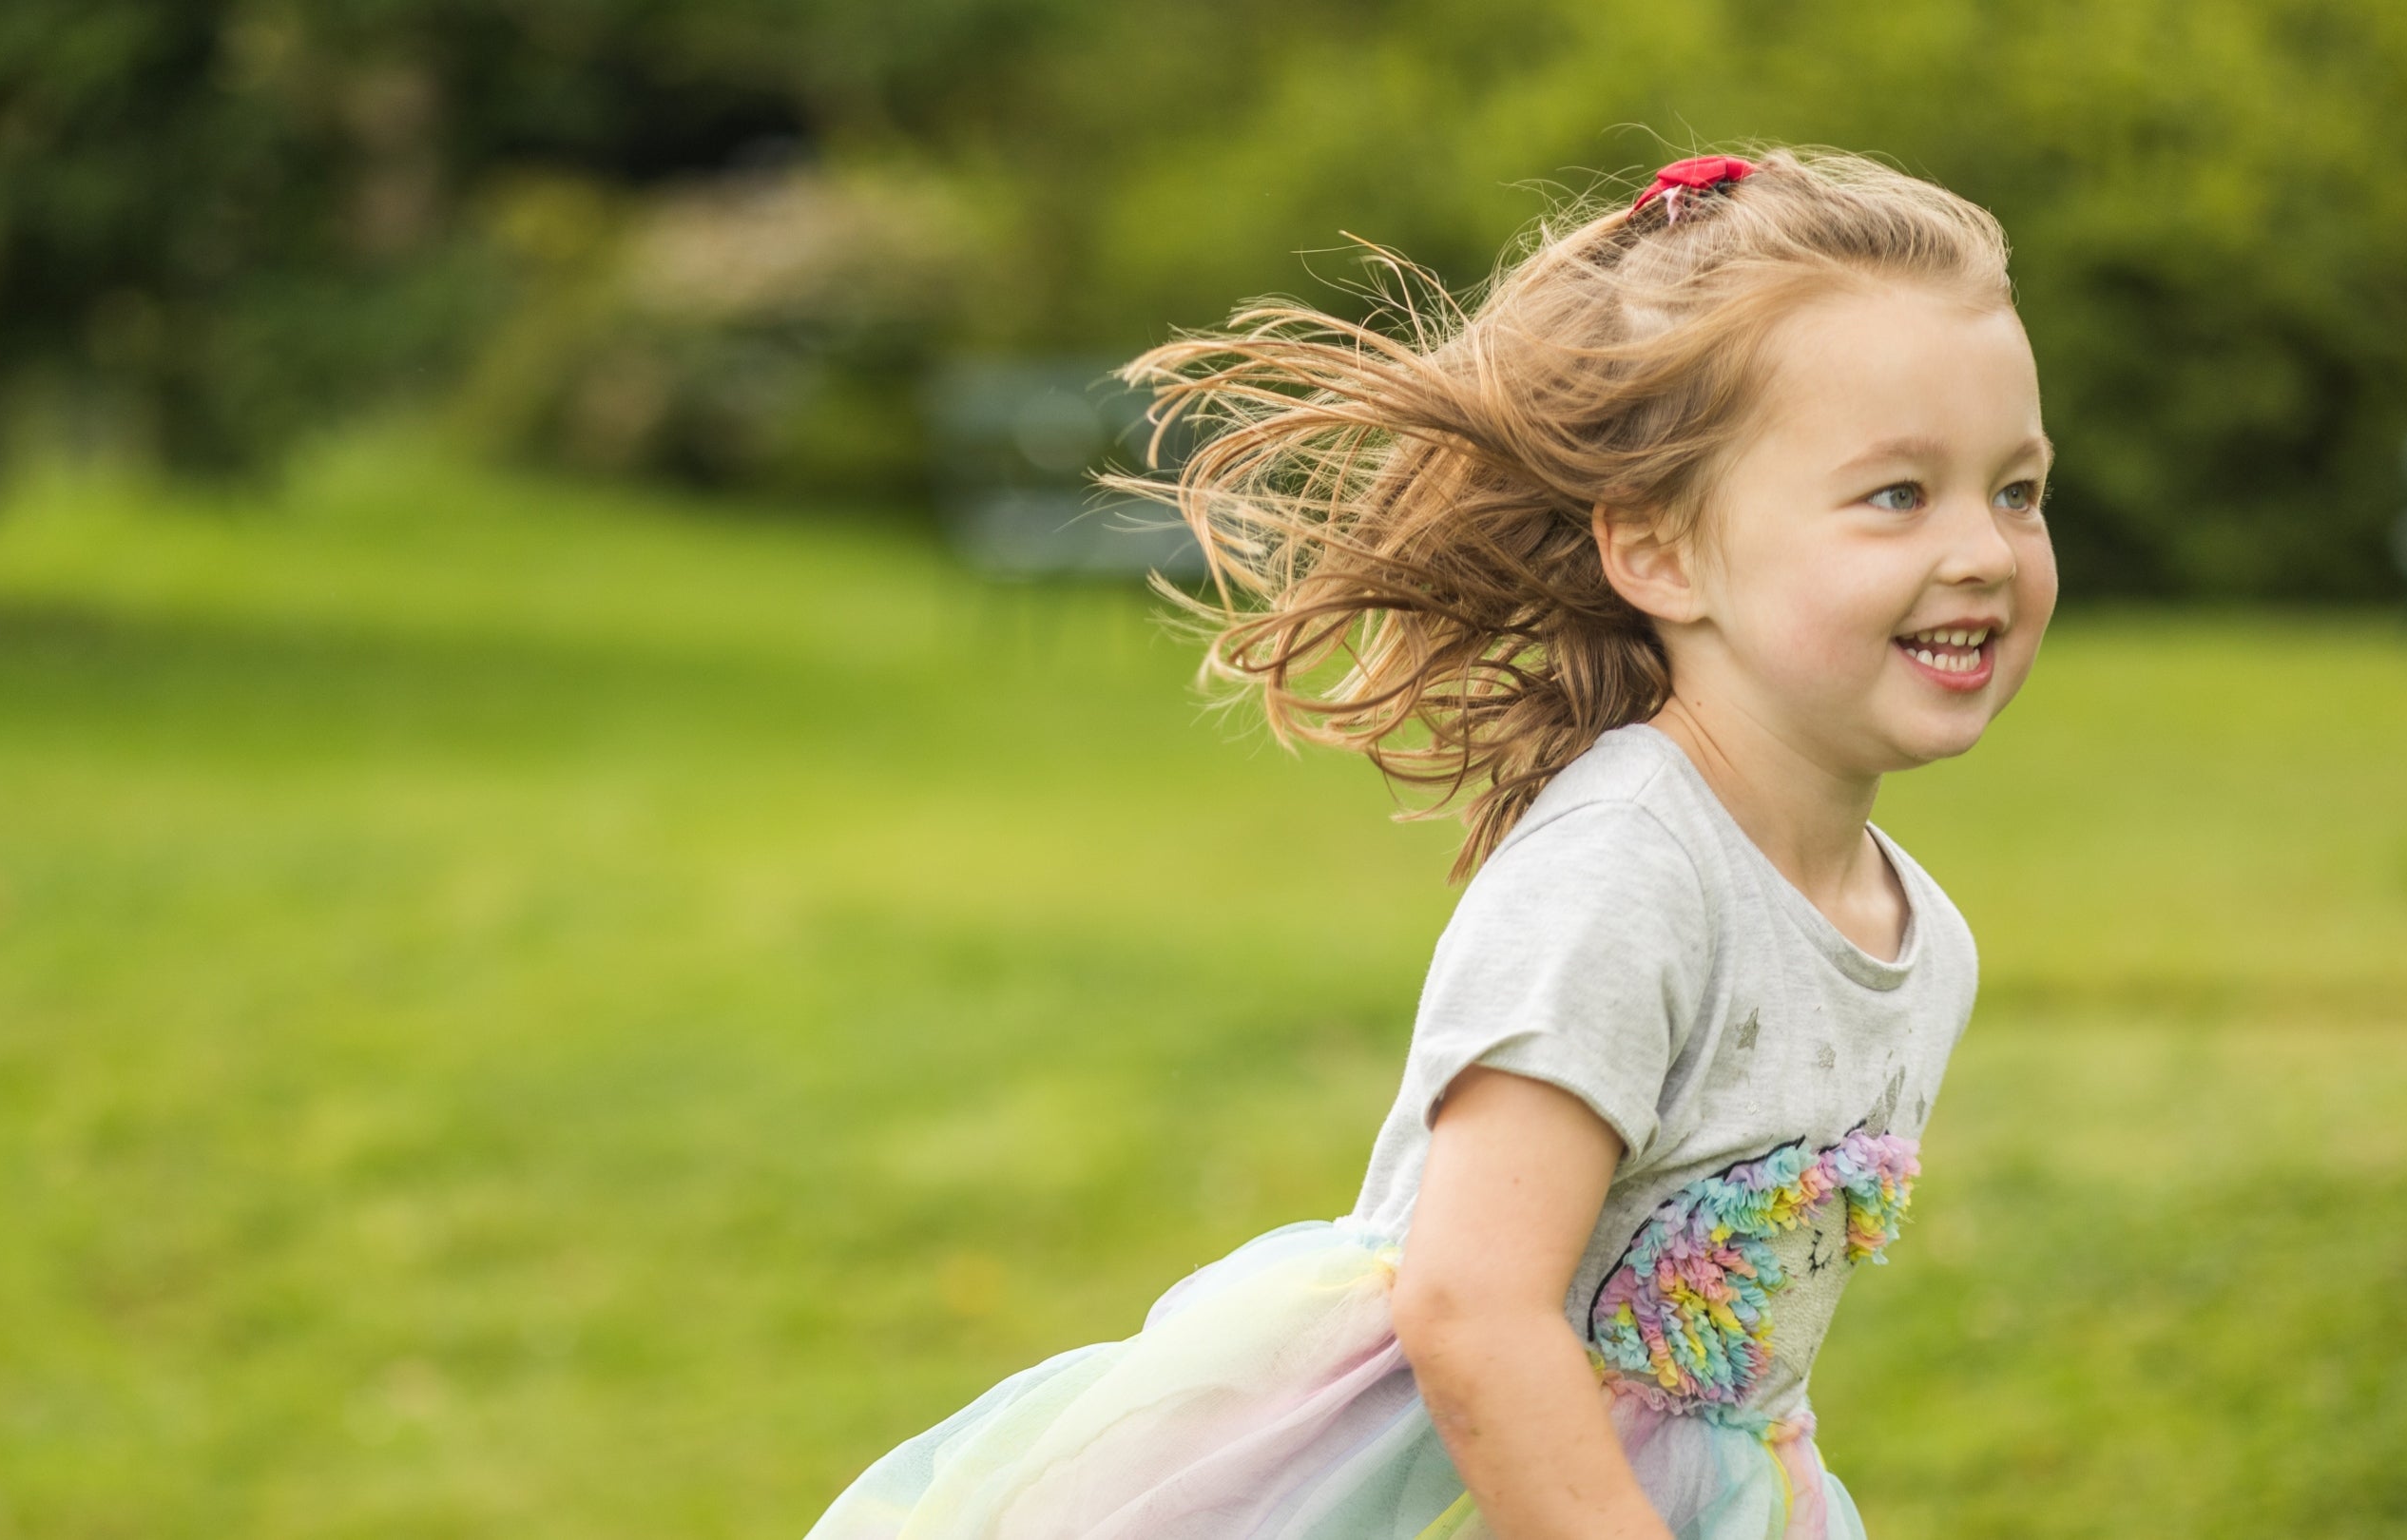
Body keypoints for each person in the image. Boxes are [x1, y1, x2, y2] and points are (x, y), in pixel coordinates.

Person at [805, 147, 2057, 1540]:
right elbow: (1470, 1308)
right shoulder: (1628, 876)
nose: (1987, 553)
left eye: (2017, 490)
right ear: (1661, 554)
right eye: (1898, 495)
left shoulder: (1917, 933)